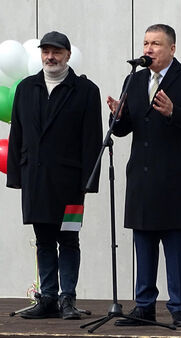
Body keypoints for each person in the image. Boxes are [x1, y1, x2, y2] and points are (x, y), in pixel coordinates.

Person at [107, 24, 181, 327]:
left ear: (172, 49)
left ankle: (178, 308)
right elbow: (128, 127)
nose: (148, 49)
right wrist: (117, 116)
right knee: (143, 243)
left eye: (155, 43)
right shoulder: (135, 79)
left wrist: (174, 112)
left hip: (174, 179)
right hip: (141, 178)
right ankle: (144, 306)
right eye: (145, 43)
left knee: (174, 245)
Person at [7, 31, 103, 320]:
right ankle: (47, 297)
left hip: (71, 184)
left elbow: (92, 139)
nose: (50, 57)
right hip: (35, 181)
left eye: (57, 52)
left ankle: (67, 300)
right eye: (46, 51)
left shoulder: (86, 91)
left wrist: (90, 182)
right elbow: (17, 136)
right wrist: (16, 177)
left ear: (68, 55)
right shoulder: (26, 88)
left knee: (69, 240)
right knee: (44, 240)